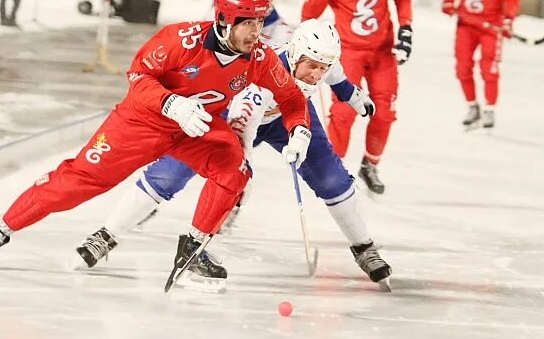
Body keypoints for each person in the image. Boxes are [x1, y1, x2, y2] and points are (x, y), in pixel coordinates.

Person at [0, 0, 312, 282]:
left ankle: (193, 248)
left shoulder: (260, 58)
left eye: (260, 22)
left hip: (193, 129)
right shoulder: (180, 40)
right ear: (223, 20)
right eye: (248, 23)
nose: (256, 32)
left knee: (234, 166)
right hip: (141, 123)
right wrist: (172, 104)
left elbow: (292, 98)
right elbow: (138, 76)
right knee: (75, 184)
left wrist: (300, 132)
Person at [74, 19, 393, 292]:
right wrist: (244, 175)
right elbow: (244, 133)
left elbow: (335, 76)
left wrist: (353, 98)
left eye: (321, 67)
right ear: (294, 54)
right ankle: (107, 234)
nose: (315, 75)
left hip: (289, 113)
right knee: (172, 172)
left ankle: (364, 247)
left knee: (331, 177)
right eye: (311, 65)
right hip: (237, 115)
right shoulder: (259, 83)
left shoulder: (321, 61)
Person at [302, 0, 413, 195]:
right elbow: (309, 17)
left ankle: (370, 164)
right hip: (348, 53)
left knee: (385, 112)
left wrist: (406, 30)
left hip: (382, 52)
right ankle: (333, 168)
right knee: (343, 113)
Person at [441, 0, 521, 129]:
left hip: (490, 28)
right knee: (462, 67)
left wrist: (508, 20)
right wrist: (450, 1)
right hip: (466, 25)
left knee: (489, 69)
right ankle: (472, 106)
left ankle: (489, 109)